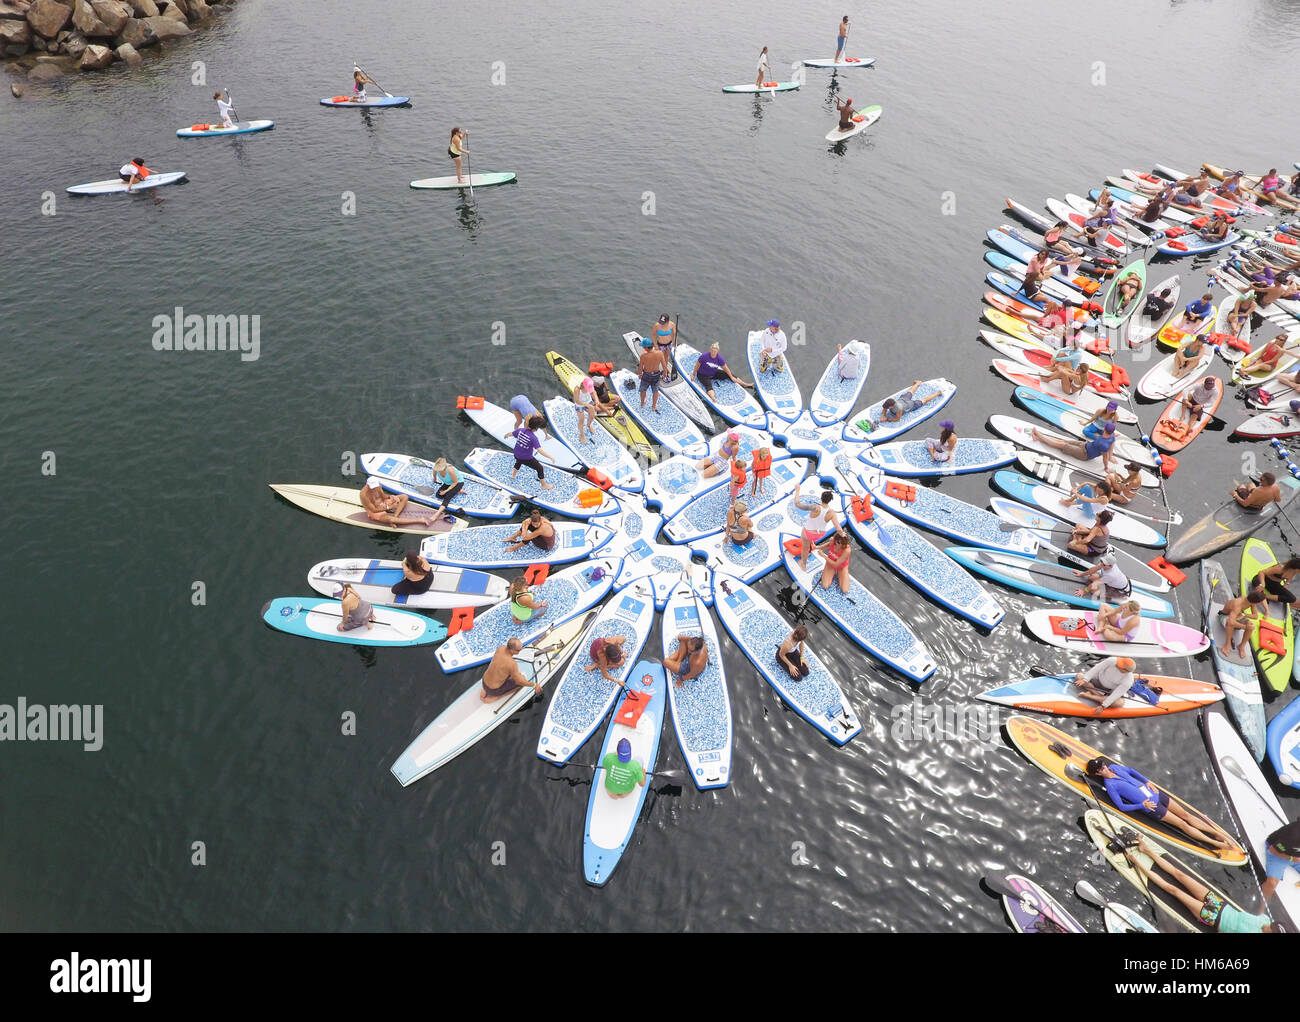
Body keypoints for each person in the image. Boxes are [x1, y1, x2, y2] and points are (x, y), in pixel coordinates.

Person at [1116, 833, 1272, 930]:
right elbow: (1259, 915)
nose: (1269, 928)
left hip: (1213, 918)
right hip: (1220, 904)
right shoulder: (1265, 920)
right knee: (1180, 875)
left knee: (1174, 890)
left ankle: (1136, 862)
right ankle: (1146, 850)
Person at [1031, 422, 1116, 474]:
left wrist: (1106, 467)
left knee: (1061, 445)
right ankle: (1038, 438)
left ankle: (1039, 435)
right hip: (1085, 445)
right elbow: (1112, 444)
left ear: (1104, 429)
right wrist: (1111, 456)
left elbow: (1105, 457)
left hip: (1084, 454)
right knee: (1062, 441)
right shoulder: (1112, 436)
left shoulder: (1103, 444)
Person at [359, 478, 441, 528]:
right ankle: (420, 520)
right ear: (367, 485)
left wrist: (391, 497)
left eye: (375, 487)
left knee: (404, 497)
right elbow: (373, 510)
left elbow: (383, 497)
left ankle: (395, 517)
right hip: (375, 511)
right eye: (373, 487)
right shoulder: (364, 495)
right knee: (389, 519)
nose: (375, 489)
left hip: (382, 503)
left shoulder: (378, 486)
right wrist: (389, 507)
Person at [481, 638, 544, 702]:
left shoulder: (500, 648)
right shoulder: (512, 664)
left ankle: (485, 690)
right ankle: (498, 696)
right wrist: (534, 685)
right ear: (512, 650)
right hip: (494, 691)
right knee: (522, 680)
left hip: (484, 683)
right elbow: (520, 682)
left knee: (504, 672)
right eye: (519, 650)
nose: (520, 651)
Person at [1072, 655, 1138, 711]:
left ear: (1125, 671)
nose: (1117, 663)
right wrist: (1085, 679)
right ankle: (1098, 695)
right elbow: (1097, 668)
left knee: (1119, 704)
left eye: (1120, 664)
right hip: (1097, 680)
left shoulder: (1128, 680)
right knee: (1079, 676)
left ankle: (1090, 695)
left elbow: (1116, 694)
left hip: (1109, 691)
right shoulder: (1112, 660)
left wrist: (1103, 706)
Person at [794, 489, 839, 569]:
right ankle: (810, 548)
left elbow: (797, 504)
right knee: (811, 537)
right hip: (820, 534)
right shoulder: (831, 512)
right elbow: (838, 528)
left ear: (821, 498)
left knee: (805, 547)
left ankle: (803, 563)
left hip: (809, 533)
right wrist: (843, 535)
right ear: (829, 501)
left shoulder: (815, 507)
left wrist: (797, 490)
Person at [1260, 820, 1300, 908]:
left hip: (1296, 856)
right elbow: (1272, 849)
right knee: (1272, 883)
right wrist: (1291, 858)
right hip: (1279, 853)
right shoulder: (1294, 834)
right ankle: (1261, 909)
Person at [510, 413, 555, 490]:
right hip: (526, 458)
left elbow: (511, 434)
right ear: (536, 429)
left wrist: (506, 435)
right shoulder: (533, 438)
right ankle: (544, 485)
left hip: (516, 453)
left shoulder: (520, 430)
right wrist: (550, 457)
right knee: (540, 468)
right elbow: (540, 450)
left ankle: (513, 475)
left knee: (518, 461)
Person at [1219, 588, 1265, 658]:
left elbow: (1255, 616)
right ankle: (1227, 645)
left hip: (1237, 615)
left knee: (1251, 625)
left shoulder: (1251, 601)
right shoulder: (1238, 604)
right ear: (1256, 602)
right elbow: (1230, 622)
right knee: (1231, 624)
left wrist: (1244, 615)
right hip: (1224, 616)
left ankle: (1241, 646)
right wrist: (1245, 627)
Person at [816, 529, 853, 595]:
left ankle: (842, 574)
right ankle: (832, 573)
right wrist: (817, 547)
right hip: (830, 564)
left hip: (841, 566)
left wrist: (823, 556)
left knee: (845, 590)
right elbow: (828, 544)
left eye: (840, 543)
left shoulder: (847, 550)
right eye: (836, 542)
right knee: (825, 586)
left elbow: (836, 564)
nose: (837, 545)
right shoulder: (832, 540)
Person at [637, 337, 668, 412]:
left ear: (646, 347)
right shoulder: (660, 353)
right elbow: (664, 365)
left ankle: (642, 403)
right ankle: (654, 406)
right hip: (656, 375)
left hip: (647, 375)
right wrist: (665, 373)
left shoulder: (643, 356)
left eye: (644, 347)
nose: (643, 348)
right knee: (655, 390)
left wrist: (640, 374)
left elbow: (640, 367)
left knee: (643, 390)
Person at [571, 376, 599, 444]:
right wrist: (586, 405)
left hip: (588, 401)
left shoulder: (590, 384)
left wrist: (596, 399)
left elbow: (593, 392)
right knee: (581, 420)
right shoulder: (577, 389)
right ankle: (582, 434)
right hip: (580, 404)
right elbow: (577, 401)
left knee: (592, 415)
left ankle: (588, 425)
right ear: (584, 385)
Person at [650, 314, 676, 380]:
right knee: (659, 358)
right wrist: (655, 345)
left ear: (667, 321)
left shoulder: (672, 324)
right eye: (661, 322)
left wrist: (675, 343)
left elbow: (674, 334)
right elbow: (652, 335)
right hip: (660, 344)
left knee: (666, 357)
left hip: (669, 344)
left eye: (663, 323)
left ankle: (665, 369)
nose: (661, 324)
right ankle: (655, 370)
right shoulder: (657, 325)